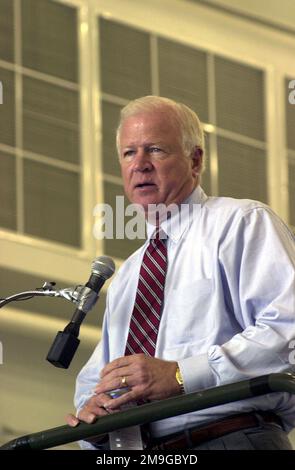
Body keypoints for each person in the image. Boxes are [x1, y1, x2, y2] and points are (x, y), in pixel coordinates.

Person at [67, 96, 295, 450]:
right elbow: (99, 378)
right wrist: (94, 414)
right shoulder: (129, 276)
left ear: (195, 160)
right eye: (129, 153)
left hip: (229, 438)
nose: (140, 165)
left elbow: (288, 331)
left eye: (155, 150)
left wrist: (180, 375)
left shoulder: (241, 223)